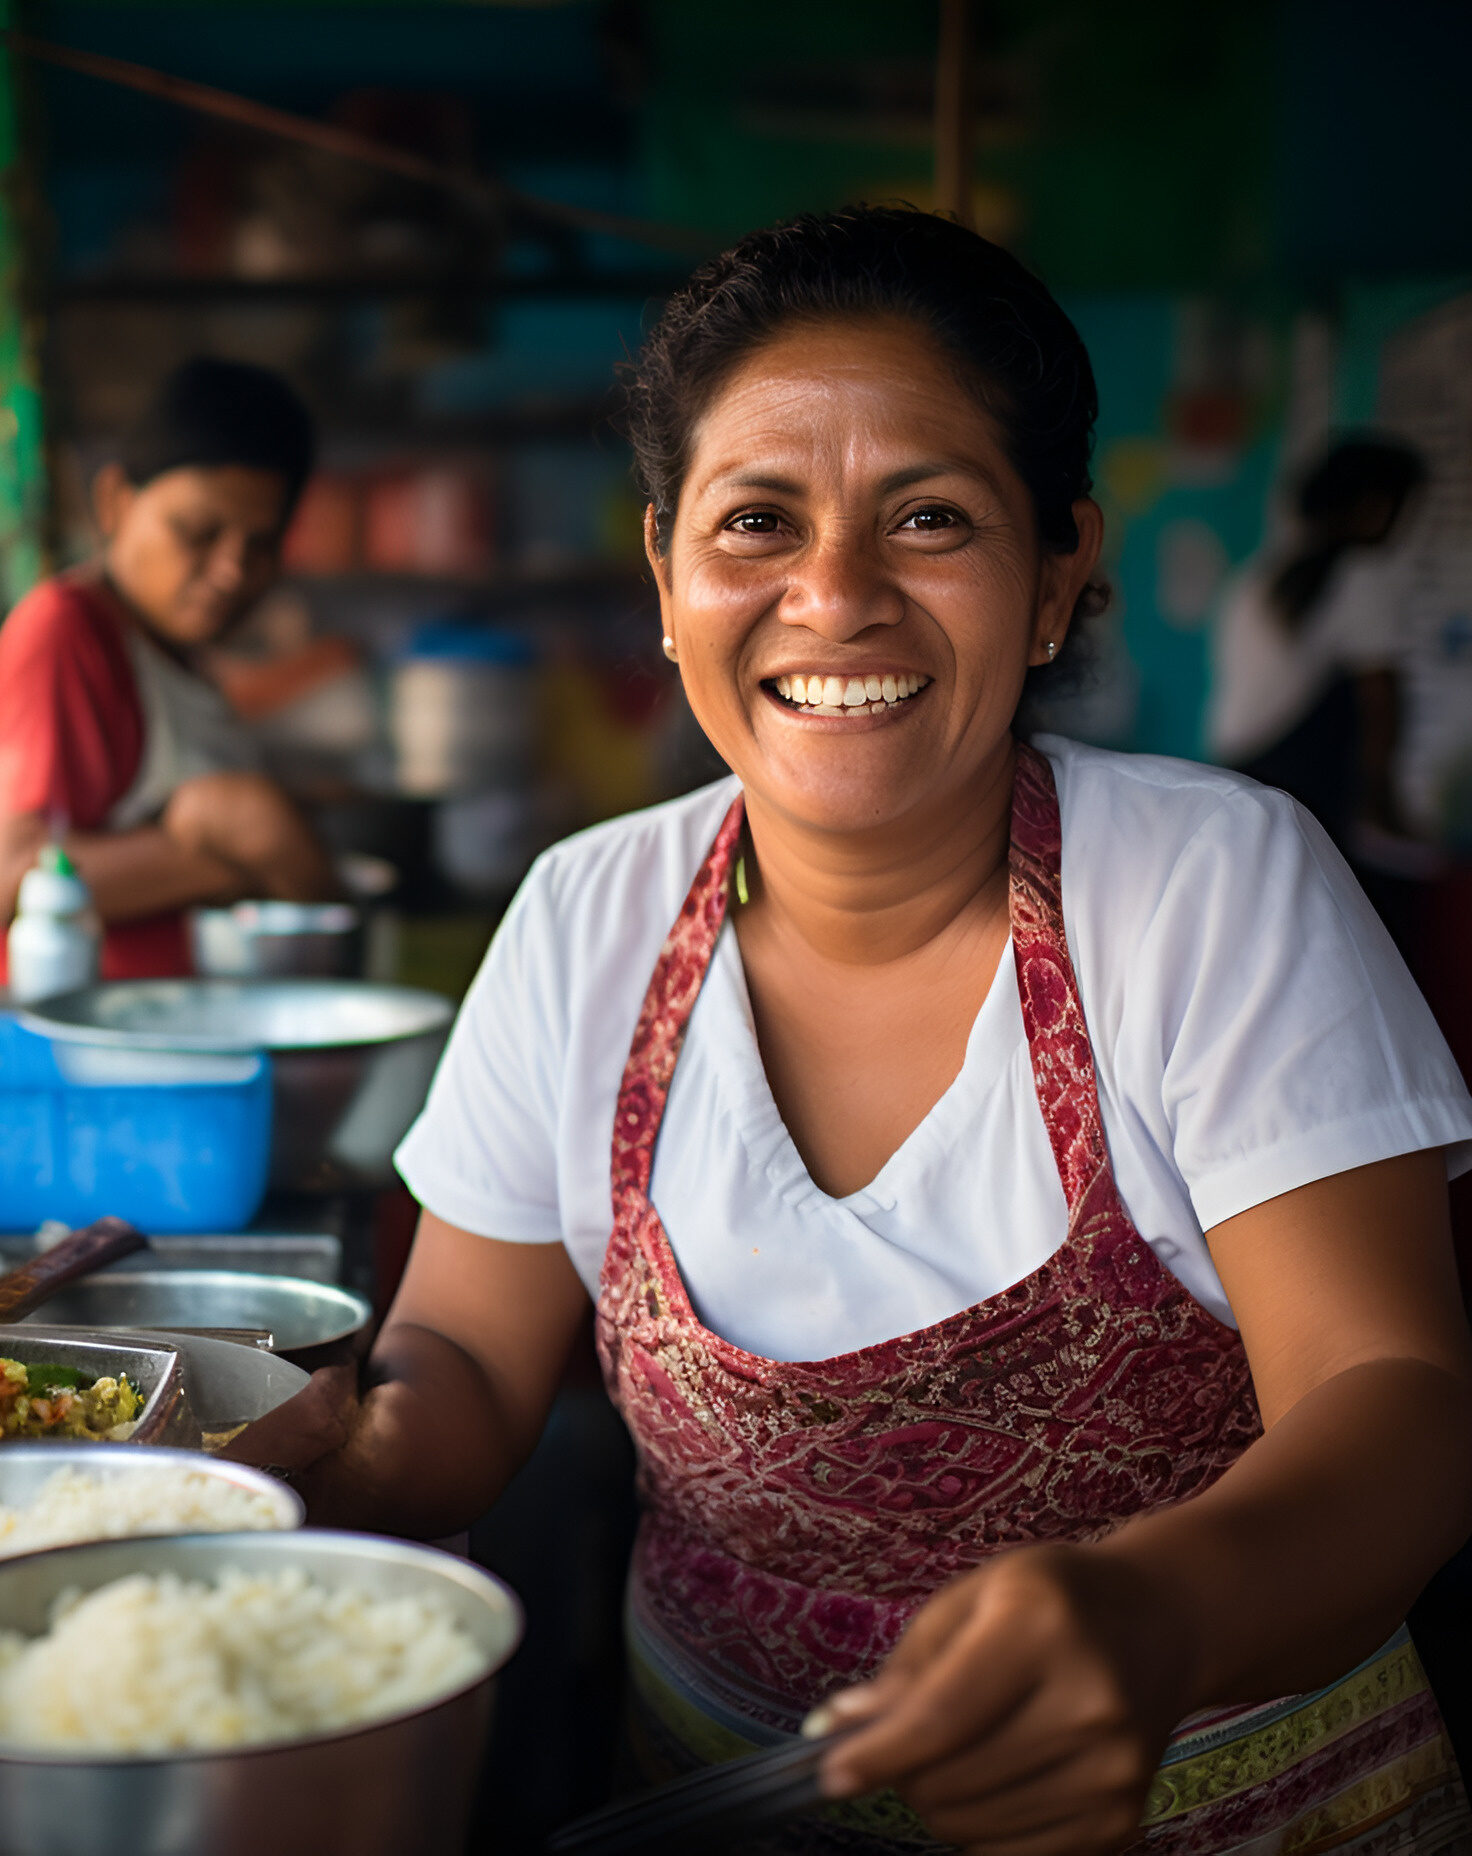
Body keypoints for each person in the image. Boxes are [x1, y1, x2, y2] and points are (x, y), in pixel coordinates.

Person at [231, 208, 1472, 1855]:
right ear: (667, 579)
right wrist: (298, 1474)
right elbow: (461, 1352)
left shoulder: (1208, 886)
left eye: (932, 517)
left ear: (1053, 581)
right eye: (758, 523)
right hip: (717, 1802)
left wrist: (1158, 1618)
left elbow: (1390, 1397)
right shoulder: (584, 916)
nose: (834, 595)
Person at [0, 358, 337, 984]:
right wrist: (238, 849)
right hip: (57, 1058)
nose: (232, 570)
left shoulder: (182, 660)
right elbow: (11, 878)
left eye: (260, 546)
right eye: (199, 532)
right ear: (116, 501)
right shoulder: (66, 632)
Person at [1206, 437, 1427, 851]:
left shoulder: (1259, 574)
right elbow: (1379, 699)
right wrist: (1382, 804)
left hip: (1238, 768)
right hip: (1300, 783)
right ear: (1373, 506)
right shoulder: (1361, 575)